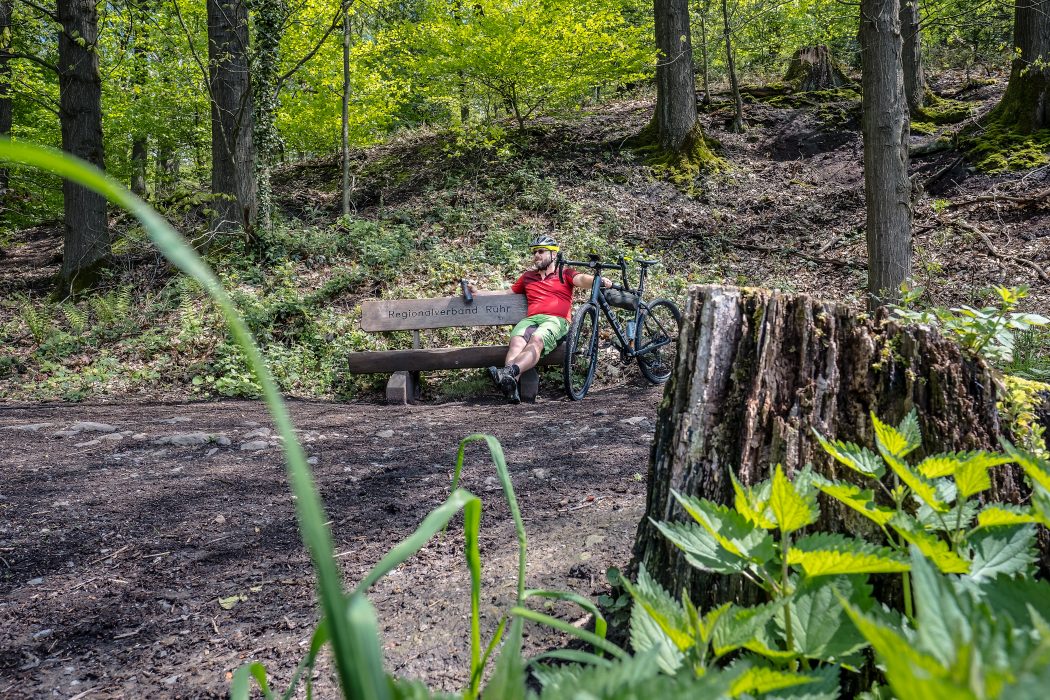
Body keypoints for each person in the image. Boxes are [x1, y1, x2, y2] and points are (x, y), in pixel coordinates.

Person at [469, 234, 612, 403]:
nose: (536, 255)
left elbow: (581, 279)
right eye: (535, 252)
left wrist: (598, 280)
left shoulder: (564, 273)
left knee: (537, 340)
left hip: (556, 320)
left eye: (541, 251)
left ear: (554, 254)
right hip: (532, 320)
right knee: (516, 342)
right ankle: (511, 386)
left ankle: (510, 372)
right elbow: (507, 293)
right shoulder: (528, 277)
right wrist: (478, 293)